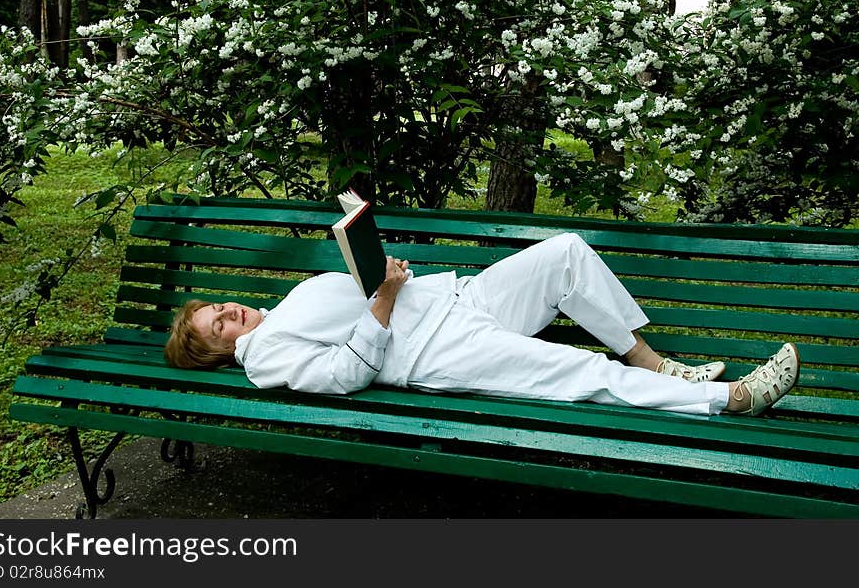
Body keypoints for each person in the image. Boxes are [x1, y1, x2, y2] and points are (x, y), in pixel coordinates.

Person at [164, 233, 799, 417]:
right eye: (216, 327)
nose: (228, 314)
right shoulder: (265, 357)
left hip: (460, 298)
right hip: (440, 351)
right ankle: (730, 398)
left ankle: (654, 363)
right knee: (580, 372)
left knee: (565, 254)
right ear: (219, 353)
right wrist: (384, 297)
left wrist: (381, 271)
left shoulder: (284, 307)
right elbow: (343, 375)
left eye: (218, 308)